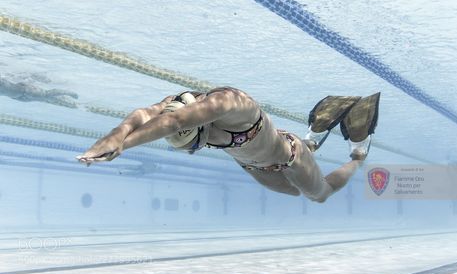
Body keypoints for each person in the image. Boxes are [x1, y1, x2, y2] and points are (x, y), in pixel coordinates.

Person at [77, 86, 380, 203]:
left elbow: (174, 124)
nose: (201, 147)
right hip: (256, 165)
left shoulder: (231, 103)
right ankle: (312, 138)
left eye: (198, 143)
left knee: (319, 195)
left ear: (199, 128)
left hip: (289, 157)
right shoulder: (176, 104)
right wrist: (116, 135)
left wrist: (123, 147)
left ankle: (357, 154)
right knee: (290, 191)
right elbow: (147, 115)